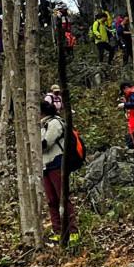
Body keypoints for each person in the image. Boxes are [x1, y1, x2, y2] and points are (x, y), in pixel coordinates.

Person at [40, 101, 79, 243]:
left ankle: (73, 231)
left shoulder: (55, 123)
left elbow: (46, 143)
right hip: (45, 166)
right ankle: (58, 231)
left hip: (57, 162)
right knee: (51, 200)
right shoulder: (40, 125)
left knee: (62, 196)